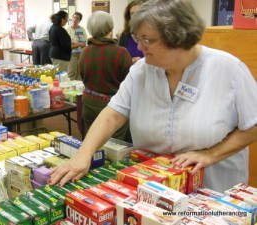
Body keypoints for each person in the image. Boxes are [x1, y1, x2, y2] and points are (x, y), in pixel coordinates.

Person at [49, 0, 257, 193]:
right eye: (137, 39)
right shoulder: (141, 70)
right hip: (154, 187)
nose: (139, 47)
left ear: (178, 37)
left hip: (213, 191)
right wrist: (83, 155)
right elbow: (112, 114)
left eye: (147, 40)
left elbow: (253, 125)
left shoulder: (228, 69)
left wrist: (210, 154)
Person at [78, 11, 132, 140]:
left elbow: (82, 76)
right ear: (110, 27)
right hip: (114, 107)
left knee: (91, 142)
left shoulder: (85, 52)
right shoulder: (121, 53)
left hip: (89, 104)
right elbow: (129, 83)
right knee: (114, 146)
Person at [66, 12, 87, 80]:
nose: (75, 19)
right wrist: (78, 44)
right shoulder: (67, 29)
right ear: (72, 18)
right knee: (71, 73)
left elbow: (84, 42)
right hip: (71, 55)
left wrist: (78, 45)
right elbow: (68, 44)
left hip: (81, 55)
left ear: (79, 20)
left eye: (77, 18)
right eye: (74, 17)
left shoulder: (82, 30)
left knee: (80, 74)